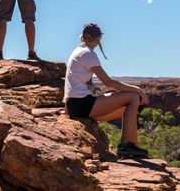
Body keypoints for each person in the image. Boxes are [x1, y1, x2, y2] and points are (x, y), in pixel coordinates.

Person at [64, 23, 150, 158]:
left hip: (74, 105)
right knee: (133, 97)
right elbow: (108, 83)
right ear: (99, 38)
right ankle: (125, 146)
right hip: (81, 104)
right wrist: (138, 90)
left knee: (128, 109)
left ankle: (133, 147)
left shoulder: (79, 50)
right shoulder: (88, 53)